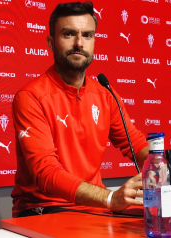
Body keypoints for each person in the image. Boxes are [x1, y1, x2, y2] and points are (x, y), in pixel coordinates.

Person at [11, 1, 149, 218]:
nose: (79, 43)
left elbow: (136, 144)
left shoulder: (105, 93)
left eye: (87, 35)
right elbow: (46, 173)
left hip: (96, 209)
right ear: (51, 42)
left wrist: (160, 166)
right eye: (68, 34)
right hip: (46, 210)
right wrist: (110, 198)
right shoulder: (31, 97)